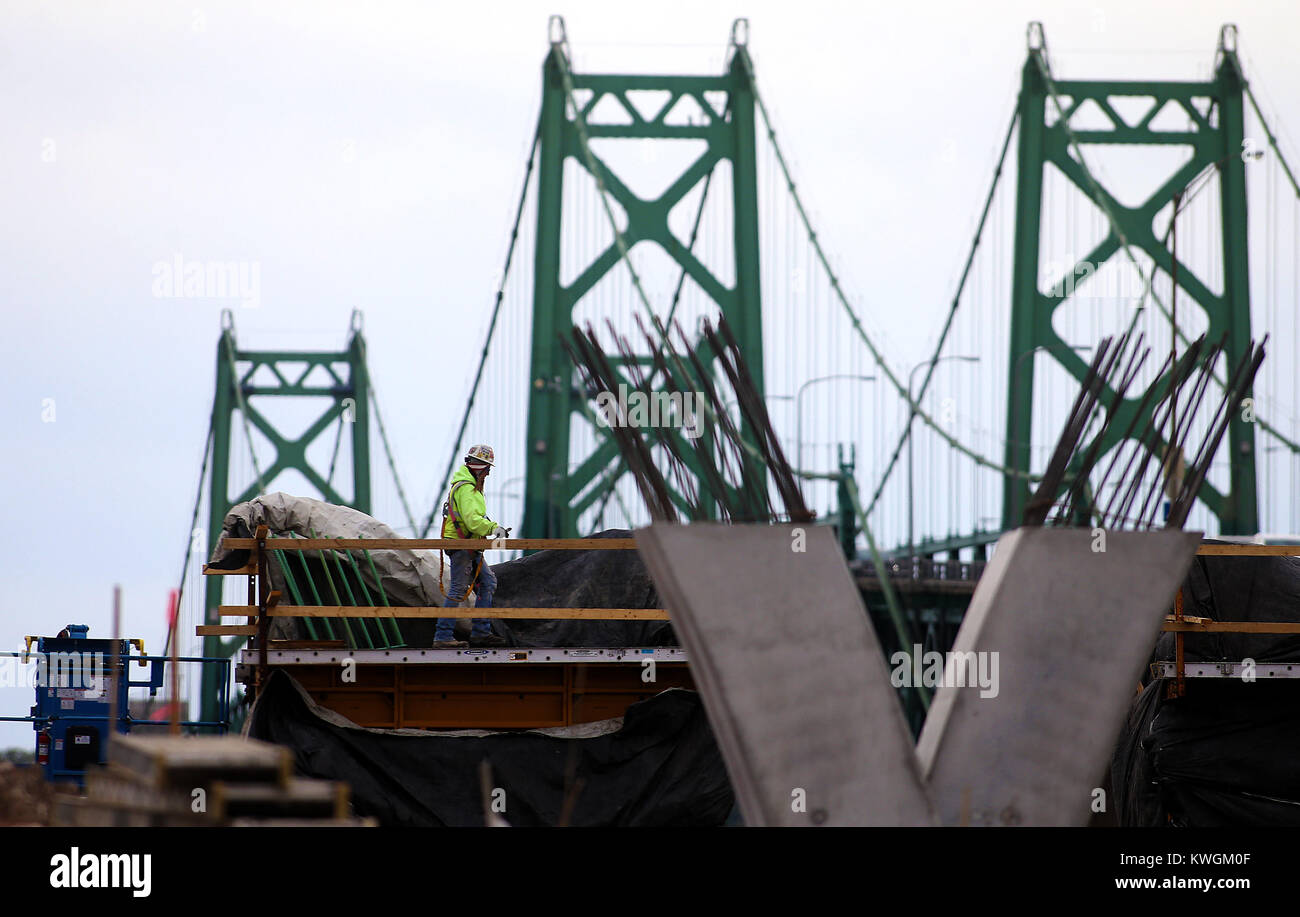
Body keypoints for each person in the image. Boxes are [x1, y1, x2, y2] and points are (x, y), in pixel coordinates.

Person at [435, 444, 509, 648]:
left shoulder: (471, 487)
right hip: (462, 546)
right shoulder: (467, 488)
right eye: (487, 469)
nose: (488, 473)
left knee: (488, 582)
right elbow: (471, 521)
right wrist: (494, 528)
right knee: (459, 589)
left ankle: (480, 633)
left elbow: (473, 519)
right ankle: (442, 637)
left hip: (468, 545)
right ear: (480, 467)